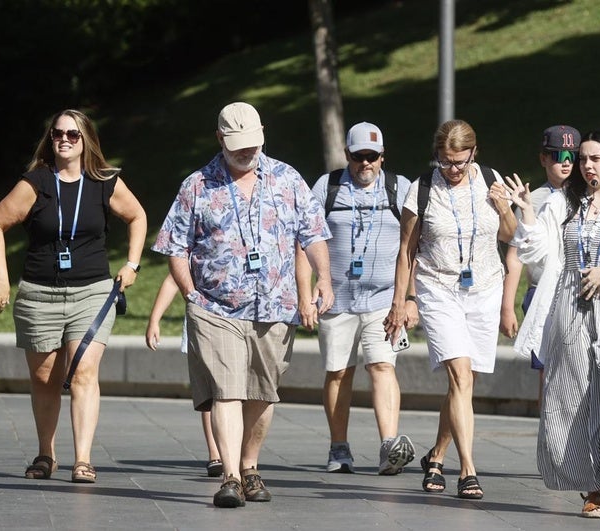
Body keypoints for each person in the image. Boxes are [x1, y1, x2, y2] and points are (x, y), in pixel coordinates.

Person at [151, 101, 334, 509]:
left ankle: (250, 467)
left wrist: (324, 278)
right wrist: (189, 293)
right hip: (216, 308)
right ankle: (230, 477)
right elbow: (175, 246)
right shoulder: (197, 185)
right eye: (237, 146)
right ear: (219, 139)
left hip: (275, 307)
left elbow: (313, 233)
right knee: (227, 391)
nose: (246, 152)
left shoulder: (287, 179)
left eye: (252, 144)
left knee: (262, 394)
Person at [0, 109, 147, 483]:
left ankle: (84, 460)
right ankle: (46, 454)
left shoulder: (105, 181)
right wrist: (0, 279)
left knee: (85, 371)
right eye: (58, 133)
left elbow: (137, 216)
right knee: (45, 379)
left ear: (86, 138)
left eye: (73, 134)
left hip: (92, 290)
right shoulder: (36, 182)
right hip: (40, 294)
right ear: (50, 138)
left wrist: (133, 265)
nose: (65, 139)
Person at [507, 129, 600, 519]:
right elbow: (536, 250)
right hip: (571, 309)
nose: (587, 166)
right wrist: (526, 211)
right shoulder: (563, 203)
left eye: (596, 158)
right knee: (574, 398)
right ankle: (592, 487)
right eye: (583, 159)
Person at [383, 119, 516, 499]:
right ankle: (468, 470)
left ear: (474, 153)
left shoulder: (492, 180)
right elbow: (407, 248)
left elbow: (509, 236)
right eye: (446, 162)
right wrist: (401, 301)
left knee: (465, 382)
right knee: (459, 375)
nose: (453, 169)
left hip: (485, 287)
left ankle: (437, 456)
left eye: (460, 161)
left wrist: (505, 207)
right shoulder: (422, 189)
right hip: (437, 286)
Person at [297, 122, 418, 475]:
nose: (366, 164)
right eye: (358, 156)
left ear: (383, 157)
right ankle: (339, 448)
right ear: (347, 155)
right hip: (336, 301)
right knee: (338, 373)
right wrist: (306, 294)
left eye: (373, 157)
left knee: (383, 367)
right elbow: (304, 240)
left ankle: (389, 447)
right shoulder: (327, 187)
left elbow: (415, 247)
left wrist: (409, 298)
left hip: (384, 301)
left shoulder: (401, 188)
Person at [500, 125, 581, 404]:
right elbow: (515, 255)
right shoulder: (529, 199)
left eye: (573, 155)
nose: (566, 162)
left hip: (579, 291)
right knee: (546, 370)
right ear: (543, 158)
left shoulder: (589, 197)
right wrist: (507, 307)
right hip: (540, 292)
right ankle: (547, 431)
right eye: (558, 155)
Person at [145, 273, 222, 478]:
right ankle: (215, 453)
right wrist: (154, 320)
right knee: (211, 390)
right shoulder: (198, 242)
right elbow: (172, 280)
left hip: (242, 319)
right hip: (202, 320)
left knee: (237, 392)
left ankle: (239, 453)